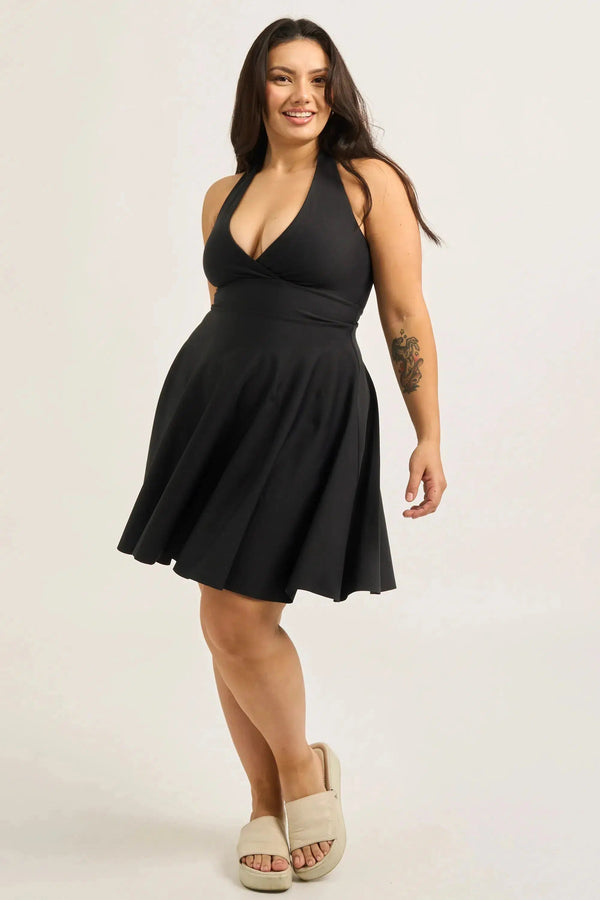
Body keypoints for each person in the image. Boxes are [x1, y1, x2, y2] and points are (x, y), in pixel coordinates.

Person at [117, 16, 447, 892]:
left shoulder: (368, 182)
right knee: (220, 614)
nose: (302, 94)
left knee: (240, 618)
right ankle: (263, 799)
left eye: (317, 78)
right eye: (282, 76)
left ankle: (303, 772)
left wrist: (428, 432)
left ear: (335, 91)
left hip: (310, 410)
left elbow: (404, 313)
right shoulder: (221, 195)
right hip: (214, 410)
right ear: (256, 89)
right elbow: (227, 307)